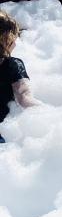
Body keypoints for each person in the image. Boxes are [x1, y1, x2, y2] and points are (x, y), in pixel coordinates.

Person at [0, 13, 38, 144]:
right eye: (14, 38)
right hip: (3, 132)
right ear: (7, 39)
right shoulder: (13, 65)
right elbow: (25, 98)